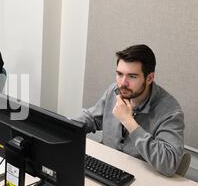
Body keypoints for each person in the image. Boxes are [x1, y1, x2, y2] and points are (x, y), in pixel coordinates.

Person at [75, 44, 185, 176]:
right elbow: (92, 118)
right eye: (119, 74)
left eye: (132, 76)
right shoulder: (114, 91)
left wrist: (128, 121)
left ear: (149, 78)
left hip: (141, 178)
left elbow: (168, 163)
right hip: (107, 168)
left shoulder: (170, 111)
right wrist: (62, 128)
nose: (122, 83)